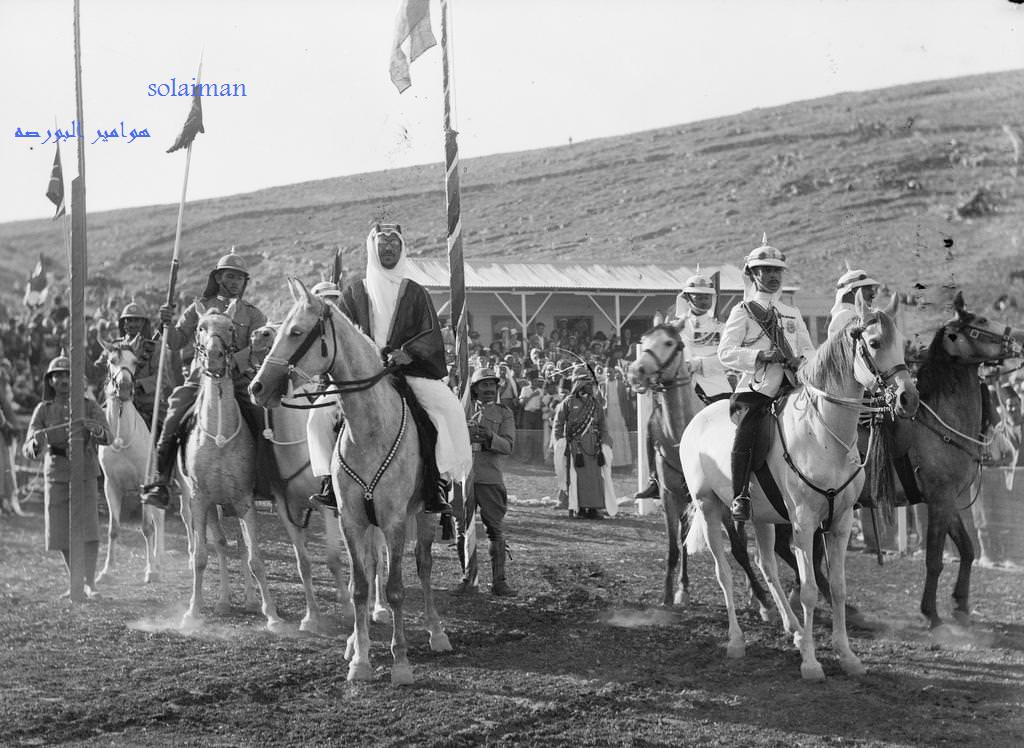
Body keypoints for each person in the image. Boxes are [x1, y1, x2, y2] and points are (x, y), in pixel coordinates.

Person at [336, 223, 471, 514]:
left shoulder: (416, 293)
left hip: (408, 373)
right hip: (362, 377)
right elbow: (342, 335)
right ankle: (327, 483)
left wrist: (407, 353)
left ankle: (438, 482)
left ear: (402, 248)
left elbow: (430, 334)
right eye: (382, 243)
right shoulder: (354, 293)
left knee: (448, 409)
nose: (388, 248)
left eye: (394, 243)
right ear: (372, 248)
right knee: (319, 419)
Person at [141, 248, 267, 509]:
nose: (233, 282)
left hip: (238, 382)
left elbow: (259, 349)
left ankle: (267, 480)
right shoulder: (199, 307)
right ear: (219, 278)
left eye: (239, 278)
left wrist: (232, 362)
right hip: (200, 383)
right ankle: (159, 481)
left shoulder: (254, 315)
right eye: (229, 276)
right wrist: (164, 323)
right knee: (173, 418)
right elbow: (176, 342)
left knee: (262, 419)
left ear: (245, 282)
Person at [718, 235, 814, 522]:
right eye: (765, 271)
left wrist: (802, 360)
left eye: (777, 271)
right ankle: (741, 495)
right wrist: (760, 356)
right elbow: (725, 352)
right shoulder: (743, 311)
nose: (772, 276)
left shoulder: (791, 312)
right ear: (753, 275)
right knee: (747, 433)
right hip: (757, 390)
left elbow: (809, 349)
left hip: (793, 386)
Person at [24, 355, 111, 598]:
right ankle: (76, 580)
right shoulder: (43, 409)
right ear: (50, 381)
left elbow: (109, 437)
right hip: (56, 471)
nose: (63, 379)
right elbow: (28, 446)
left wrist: (98, 430)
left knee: (89, 528)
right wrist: (35, 442)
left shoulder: (90, 406)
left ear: (76, 379)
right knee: (60, 530)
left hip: (84, 470)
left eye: (67, 375)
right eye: (57, 375)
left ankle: (91, 583)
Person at [454, 367, 517, 596]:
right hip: (463, 476)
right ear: (475, 389)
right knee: (462, 530)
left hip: (489, 476)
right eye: (484, 385)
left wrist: (490, 435)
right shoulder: (460, 409)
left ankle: (499, 582)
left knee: (495, 530)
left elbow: (508, 446)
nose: (489, 389)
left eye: (492, 385)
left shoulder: (504, 413)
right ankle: (467, 579)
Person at [553, 364, 617, 519]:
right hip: (576, 448)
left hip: (594, 447)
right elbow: (558, 425)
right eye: (585, 383)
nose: (588, 386)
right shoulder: (567, 404)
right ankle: (579, 508)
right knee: (577, 478)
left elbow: (603, 425)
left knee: (595, 477)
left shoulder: (596, 404)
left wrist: (606, 442)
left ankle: (594, 508)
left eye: (590, 383)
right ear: (577, 384)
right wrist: (561, 444)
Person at [305, 280, 346, 510]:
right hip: (336, 386)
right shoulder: (311, 332)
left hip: (365, 382)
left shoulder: (352, 323)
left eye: (334, 299)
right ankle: (328, 480)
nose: (331, 304)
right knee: (317, 417)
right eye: (325, 300)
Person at [106, 301, 175, 429]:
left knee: (170, 432)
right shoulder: (115, 346)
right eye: (129, 320)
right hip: (119, 401)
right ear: (123, 324)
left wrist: (137, 384)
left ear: (143, 323)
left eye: (136, 320)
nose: (132, 324)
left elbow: (162, 378)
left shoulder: (155, 347)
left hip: (148, 404)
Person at [828, 268, 879, 339]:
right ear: (854, 291)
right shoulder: (844, 316)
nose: (872, 293)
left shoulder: (859, 315)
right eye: (867, 288)